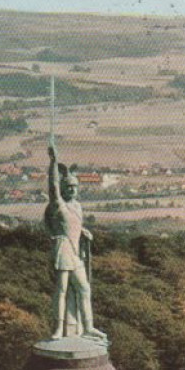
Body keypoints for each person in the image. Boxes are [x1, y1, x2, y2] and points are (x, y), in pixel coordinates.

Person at [45, 144, 106, 341]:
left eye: (75, 187)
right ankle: (58, 328)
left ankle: (88, 327)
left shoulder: (78, 206)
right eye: (68, 186)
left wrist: (83, 231)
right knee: (61, 290)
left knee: (84, 289)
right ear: (63, 188)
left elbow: (75, 225)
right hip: (63, 250)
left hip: (75, 253)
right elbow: (52, 185)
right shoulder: (58, 205)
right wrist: (54, 161)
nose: (72, 189)